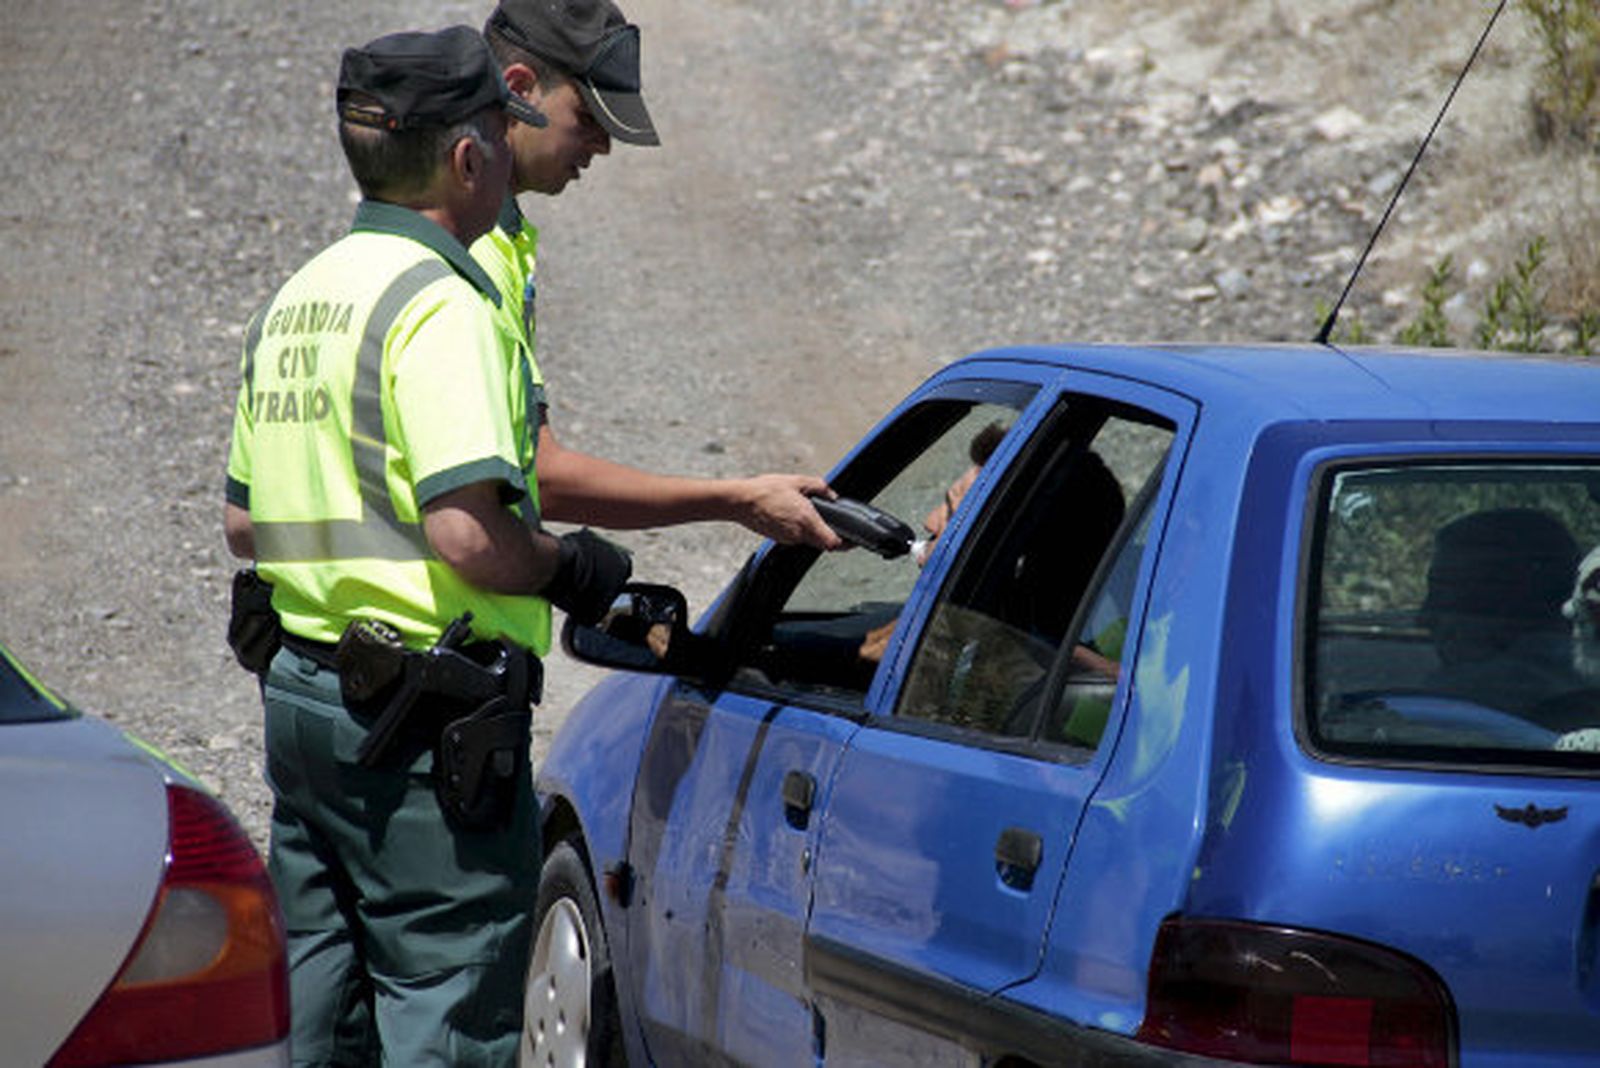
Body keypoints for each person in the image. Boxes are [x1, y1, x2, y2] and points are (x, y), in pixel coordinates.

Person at [221, 27, 634, 1064]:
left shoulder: (301, 299)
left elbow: (242, 521)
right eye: (504, 131)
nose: (512, 153)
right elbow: (467, 531)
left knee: (316, 1014)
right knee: (449, 1014)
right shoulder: (445, 305)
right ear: (467, 157)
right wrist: (567, 566)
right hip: (421, 742)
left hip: (306, 703)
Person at [473, 0, 843, 549]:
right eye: (590, 118)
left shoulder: (485, 234)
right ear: (520, 88)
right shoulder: (469, 246)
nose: (603, 145)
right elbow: (541, 476)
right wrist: (736, 500)